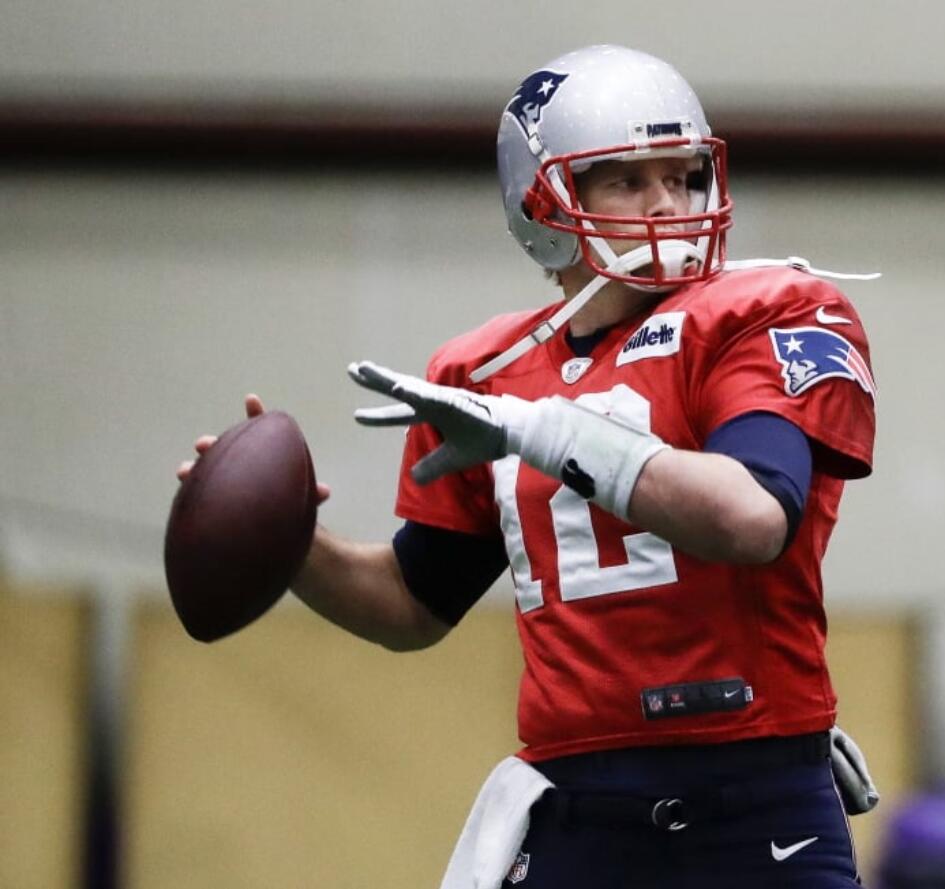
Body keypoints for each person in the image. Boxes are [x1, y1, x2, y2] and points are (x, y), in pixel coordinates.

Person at [180, 44, 879, 888]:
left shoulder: (758, 313)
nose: (668, 201)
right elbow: (411, 603)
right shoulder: (488, 373)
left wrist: (539, 429)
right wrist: (285, 537)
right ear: (543, 200)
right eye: (627, 177)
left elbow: (751, 516)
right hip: (577, 810)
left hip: (754, 799)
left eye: (684, 175)